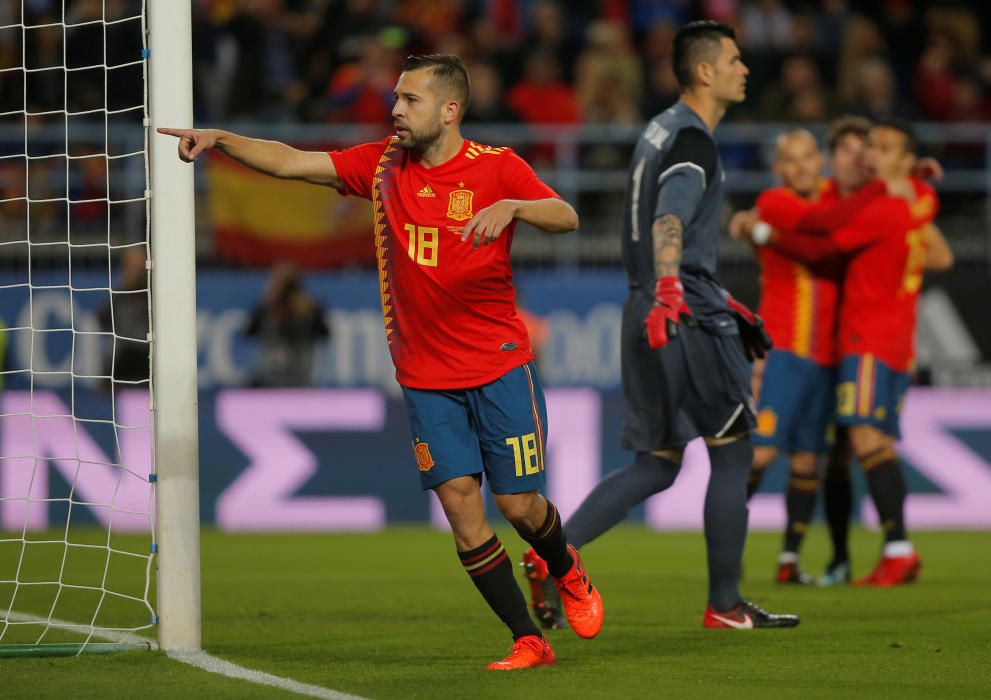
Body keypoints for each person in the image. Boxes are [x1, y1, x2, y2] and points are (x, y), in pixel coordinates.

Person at [159, 54, 602, 670]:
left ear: (449, 110)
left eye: (410, 100)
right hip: (424, 375)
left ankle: (565, 566)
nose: (395, 109)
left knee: (520, 506)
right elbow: (291, 162)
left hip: (499, 363)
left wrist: (517, 208)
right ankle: (527, 637)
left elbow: (567, 214)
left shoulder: (498, 168)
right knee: (460, 509)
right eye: (395, 97)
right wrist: (222, 140)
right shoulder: (382, 165)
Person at [522, 21, 798, 630]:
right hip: (681, 307)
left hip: (642, 302)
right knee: (732, 453)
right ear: (705, 71)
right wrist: (675, 285)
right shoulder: (694, 141)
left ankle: (553, 558)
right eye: (733, 58)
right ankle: (724, 606)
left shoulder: (658, 129)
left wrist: (662, 290)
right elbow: (669, 218)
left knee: (658, 461)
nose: (744, 67)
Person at [736, 117, 953, 586]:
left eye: (872, 149)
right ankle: (729, 542)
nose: (862, 158)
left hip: (842, 348)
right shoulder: (782, 199)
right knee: (771, 453)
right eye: (854, 151)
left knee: (820, 456)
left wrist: (907, 200)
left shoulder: (865, 201)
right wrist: (913, 189)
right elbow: (824, 234)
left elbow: (935, 253)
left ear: (820, 163)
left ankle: (807, 559)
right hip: (793, 346)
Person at [245, 260, 331, 387]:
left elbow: (324, 333)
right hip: (272, 376)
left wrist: (308, 314)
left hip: (302, 375)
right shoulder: (267, 307)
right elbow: (250, 331)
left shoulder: (309, 308)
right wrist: (267, 304)